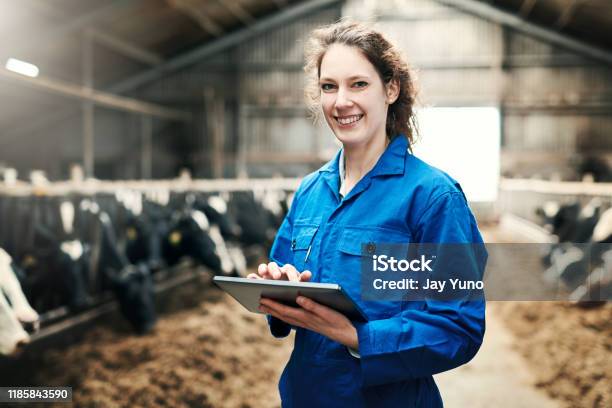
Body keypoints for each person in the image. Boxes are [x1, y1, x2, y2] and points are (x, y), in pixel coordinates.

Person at [247, 20, 486, 407]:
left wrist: (358, 337)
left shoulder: (432, 197)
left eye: (358, 84)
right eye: (329, 86)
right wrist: (279, 284)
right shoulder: (310, 191)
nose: (341, 101)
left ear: (391, 89)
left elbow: (459, 328)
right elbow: (285, 287)